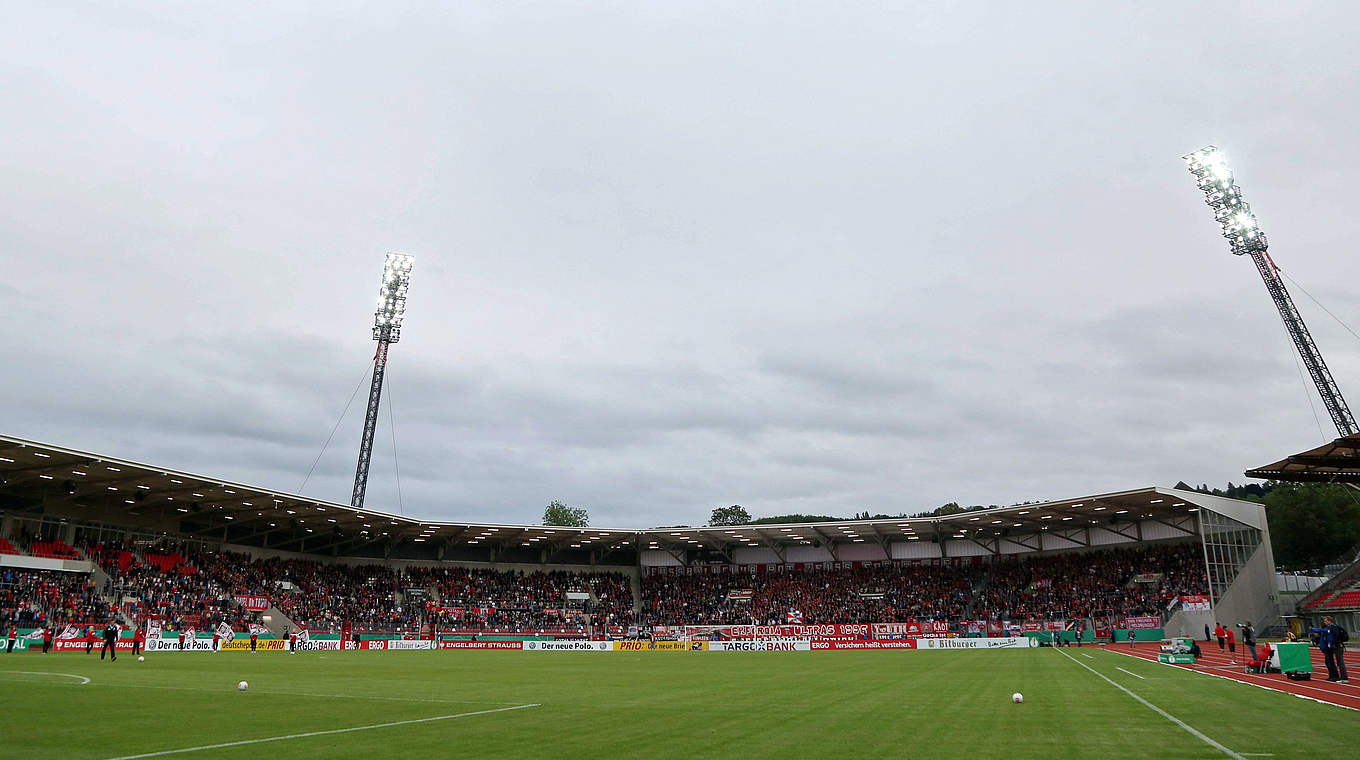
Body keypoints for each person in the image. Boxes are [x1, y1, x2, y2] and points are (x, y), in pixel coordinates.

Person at [1311, 616, 1350, 683]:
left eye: (1326, 621)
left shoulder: (1333, 627)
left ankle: (1344, 678)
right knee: (1333, 662)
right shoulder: (1329, 628)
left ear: (1329, 621)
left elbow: (1336, 636)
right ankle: (1336, 677)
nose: (1324, 622)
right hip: (1333, 647)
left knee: (1340, 663)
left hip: (1337, 646)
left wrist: (1335, 643)